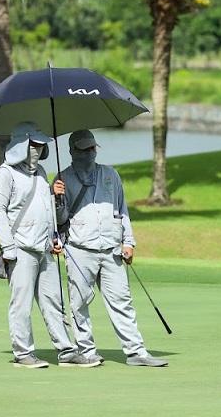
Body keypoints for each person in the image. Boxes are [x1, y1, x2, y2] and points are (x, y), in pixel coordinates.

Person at [53, 129, 167, 367]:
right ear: (73, 151)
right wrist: (57, 198)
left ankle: (136, 352)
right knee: (79, 302)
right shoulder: (62, 179)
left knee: (122, 301)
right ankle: (86, 350)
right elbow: (58, 218)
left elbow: (122, 209)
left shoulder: (110, 174)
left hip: (112, 248)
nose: (89, 153)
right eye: (84, 149)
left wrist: (129, 241)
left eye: (92, 148)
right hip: (79, 249)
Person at [0, 121, 97, 369]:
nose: (38, 150)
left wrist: (55, 236)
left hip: (45, 248)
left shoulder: (40, 174)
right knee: (22, 303)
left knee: (53, 302)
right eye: (34, 145)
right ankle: (23, 352)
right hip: (20, 249)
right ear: (21, 145)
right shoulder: (4, 174)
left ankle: (66, 350)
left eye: (40, 145)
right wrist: (8, 248)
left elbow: (47, 211)